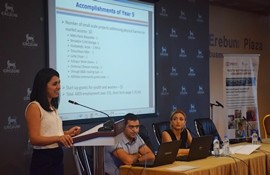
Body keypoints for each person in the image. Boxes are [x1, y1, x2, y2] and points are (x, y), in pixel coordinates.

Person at [25, 68, 81, 175]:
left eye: (59, 83)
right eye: (54, 84)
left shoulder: (52, 107)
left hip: (57, 156)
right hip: (43, 159)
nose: (59, 87)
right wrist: (59, 138)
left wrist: (67, 133)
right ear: (43, 86)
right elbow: (34, 139)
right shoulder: (34, 107)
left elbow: (49, 133)